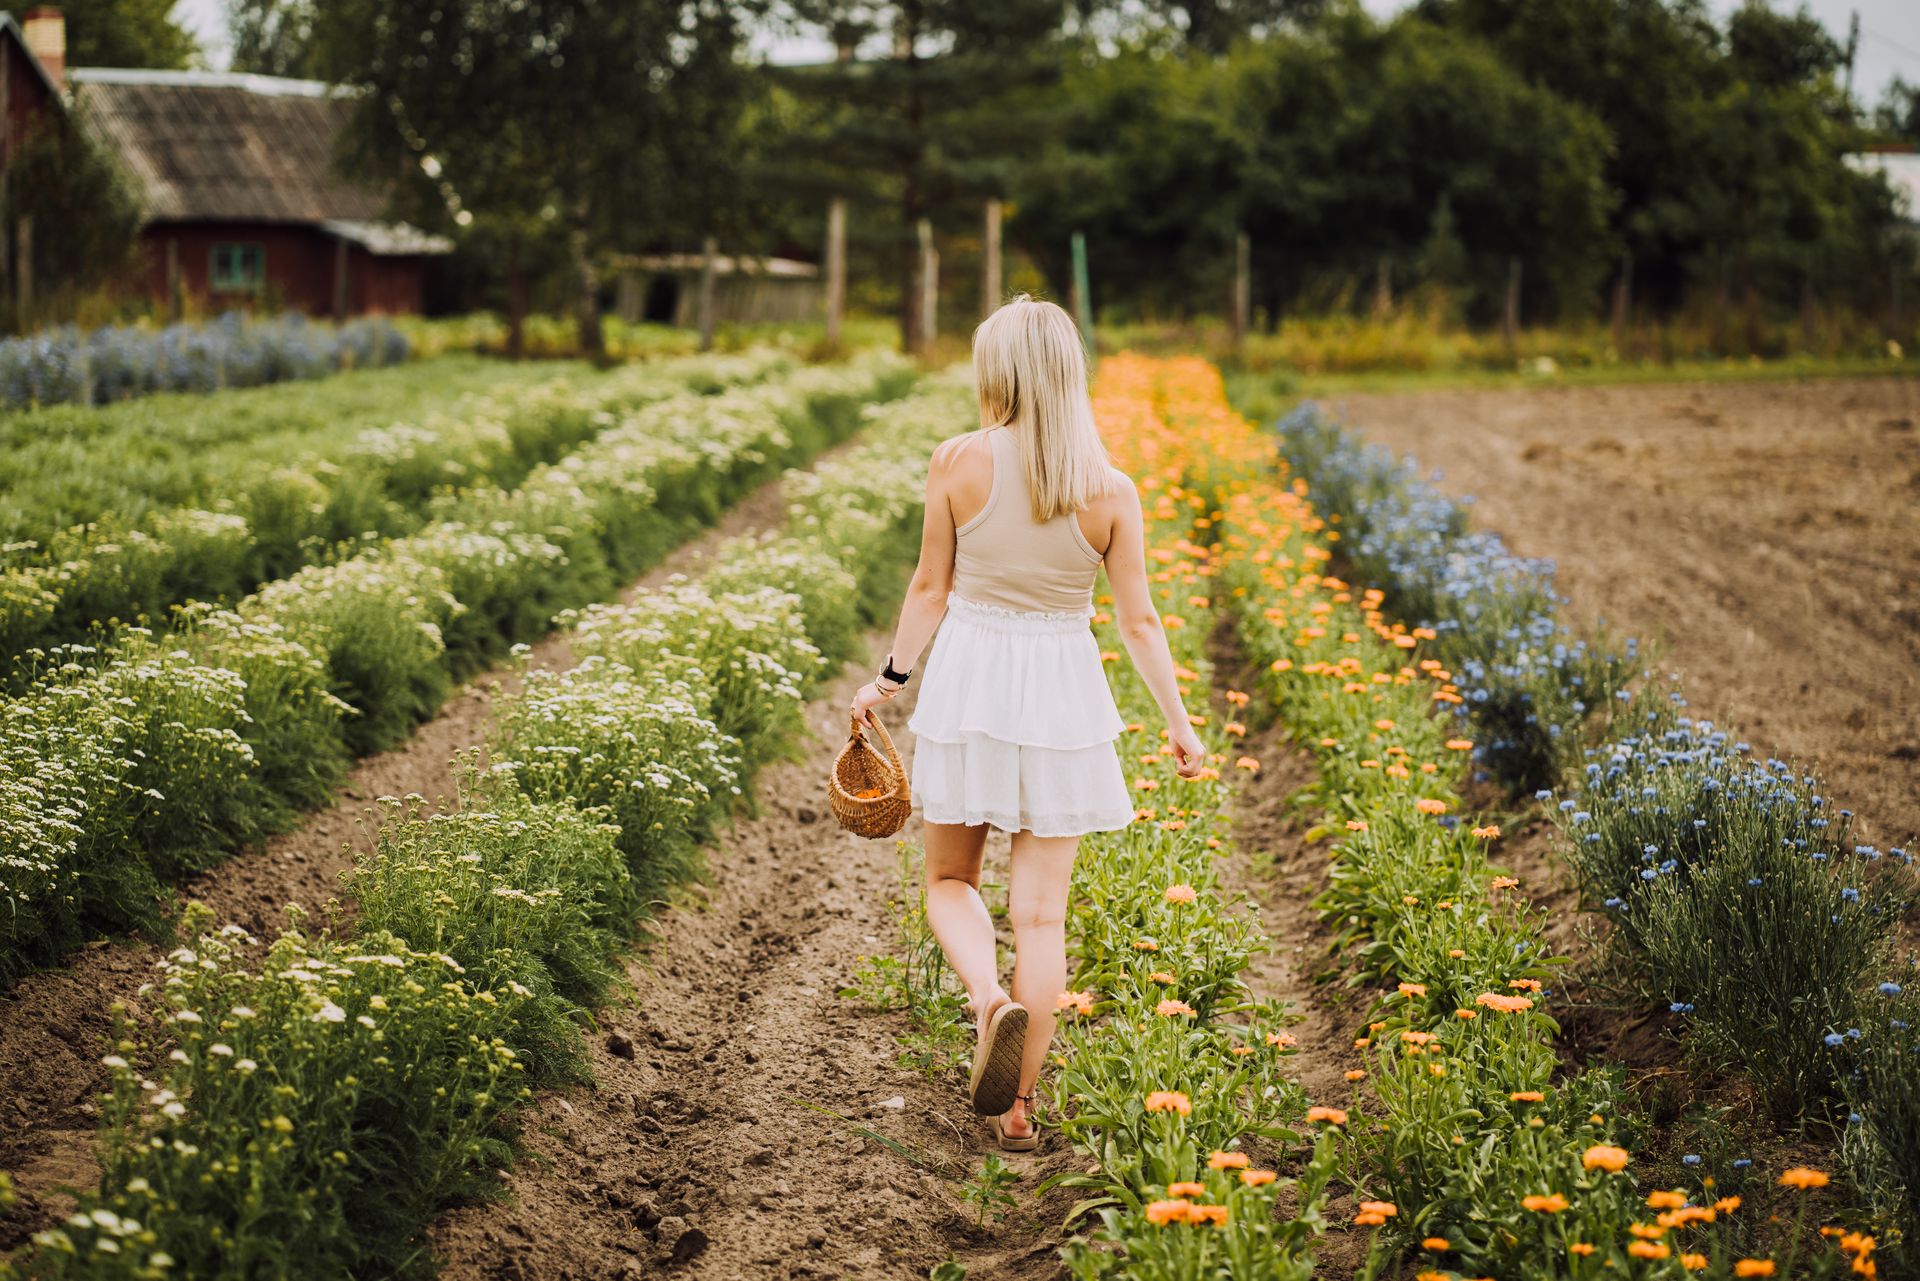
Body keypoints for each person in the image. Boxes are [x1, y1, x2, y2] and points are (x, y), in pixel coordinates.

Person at [850, 295, 1206, 1151]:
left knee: (949, 882)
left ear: (997, 371)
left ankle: (986, 999)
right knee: (1040, 918)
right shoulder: (1111, 489)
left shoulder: (957, 462)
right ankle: (1018, 1112)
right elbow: (1140, 623)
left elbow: (930, 589)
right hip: (1063, 694)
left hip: (972, 682)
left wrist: (889, 678)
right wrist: (1182, 727)